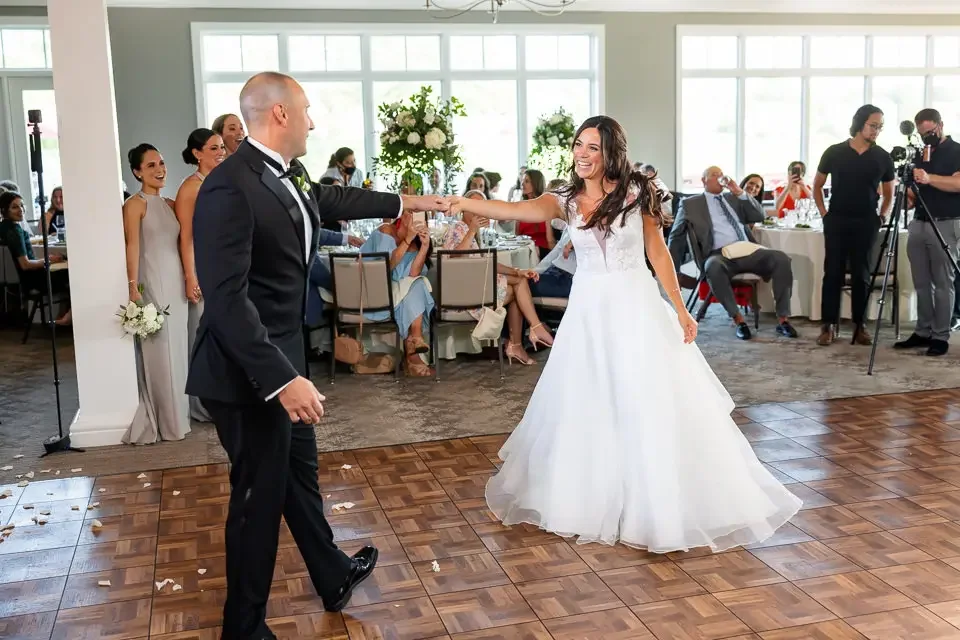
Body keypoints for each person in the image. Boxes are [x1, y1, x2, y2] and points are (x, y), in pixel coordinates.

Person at [447, 115, 801, 553]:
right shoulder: (565, 199)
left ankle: (653, 501)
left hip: (636, 307)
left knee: (645, 398)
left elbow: (656, 250)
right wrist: (466, 203)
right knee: (589, 398)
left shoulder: (637, 191)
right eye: (578, 145)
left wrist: (678, 307)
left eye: (591, 147)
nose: (581, 154)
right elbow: (513, 210)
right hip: (589, 313)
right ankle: (591, 495)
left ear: (610, 150)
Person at [187, 71, 445, 639]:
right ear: (278, 114)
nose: (312, 121)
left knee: (298, 477)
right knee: (258, 499)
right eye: (305, 110)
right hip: (248, 374)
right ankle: (244, 627)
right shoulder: (229, 186)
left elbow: (331, 199)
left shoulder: (292, 173)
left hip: (284, 361)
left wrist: (409, 198)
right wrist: (282, 380)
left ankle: (331, 574)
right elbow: (226, 300)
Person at [668, 167, 798, 341]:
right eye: (714, 175)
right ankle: (739, 321)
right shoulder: (691, 203)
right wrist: (672, 270)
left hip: (748, 249)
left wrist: (739, 192)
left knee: (781, 259)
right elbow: (676, 236)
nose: (719, 178)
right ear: (704, 180)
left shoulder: (733, 197)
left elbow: (759, 215)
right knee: (712, 267)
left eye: (721, 174)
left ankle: (783, 320)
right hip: (719, 254)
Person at [121, 144, 191, 444]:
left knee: (178, 349)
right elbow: (132, 246)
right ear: (137, 172)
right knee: (160, 351)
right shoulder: (135, 205)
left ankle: (181, 419)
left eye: (161, 162)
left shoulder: (171, 204)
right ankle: (166, 422)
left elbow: (183, 243)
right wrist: (133, 288)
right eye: (150, 165)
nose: (159, 169)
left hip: (176, 281)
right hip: (152, 280)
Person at [813, 105, 895, 347]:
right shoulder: (834, 152)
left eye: (880, 127)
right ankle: (828, 325)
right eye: (873, 125)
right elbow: (817, 185)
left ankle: (860, 326)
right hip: (836, 219)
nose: (877, 131)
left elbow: (890, 193)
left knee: (862, 275)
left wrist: (881, 216)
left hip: (866, 221)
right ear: (860, 123)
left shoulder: (882, 156)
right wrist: (824, 213)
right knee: (833, 273)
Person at [895, 108, 960, 356]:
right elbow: (915, 192)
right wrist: (905, 192)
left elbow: (958, 183)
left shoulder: (957, 151)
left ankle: (941, 335)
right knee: (921, 281)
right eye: (922, 134)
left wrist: (930, 178)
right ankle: (923, 330)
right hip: (919, 221)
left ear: (941, 126)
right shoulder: (921, 153)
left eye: (930, 132)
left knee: (943, 282)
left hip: (946, 221)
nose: (927, 138)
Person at [175, 128, 227, 422]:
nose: (220, 152)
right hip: (202, 268)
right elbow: (186, 237)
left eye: (221, 147)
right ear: (197, 154)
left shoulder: (219, 180)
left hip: (222, 266)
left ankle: (221, 398)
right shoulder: (191, 187)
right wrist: (190, 276)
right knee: (203, 336)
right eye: (213, 148)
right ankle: (201, 404)